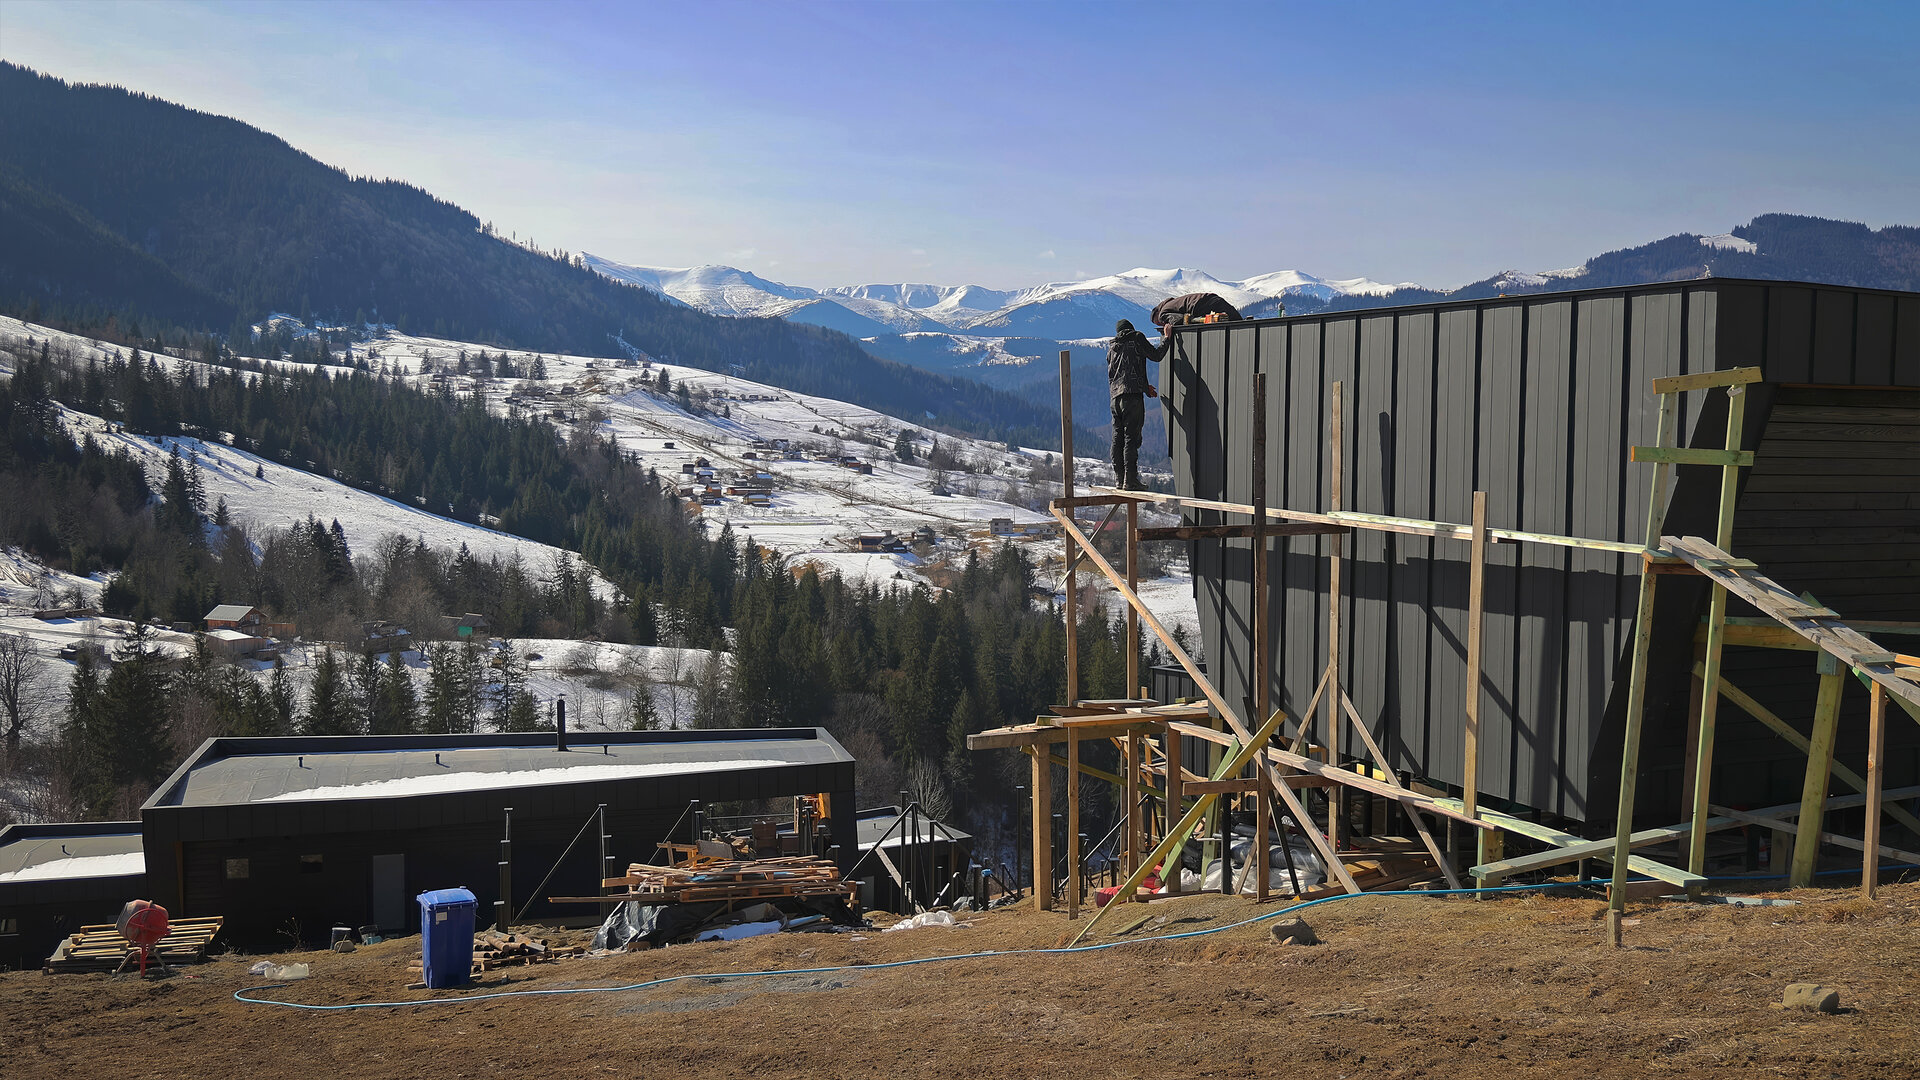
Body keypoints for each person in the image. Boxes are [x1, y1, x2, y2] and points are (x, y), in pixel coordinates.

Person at [1106, 318, 1168, 491]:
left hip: (1115, 399)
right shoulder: (1137, 337)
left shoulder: (1112, 348)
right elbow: (1156, 355)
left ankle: (1119, 479)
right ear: (1131, 328)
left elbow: (1121, 373)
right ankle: (1131, 480)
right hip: (1131, 399)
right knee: (1131, 439)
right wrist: (1167, 338)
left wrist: (1145, 387)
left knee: (1117, 439)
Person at [1150, 291, 1245, 331]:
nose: (1162, 324)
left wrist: (1168, 329)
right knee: (1239, 324)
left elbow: (1179, 320)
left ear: (1158, 313)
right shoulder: (1173, 303)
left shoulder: (1162, 313)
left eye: (1159, 323)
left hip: (1201, 307)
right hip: (1212, 299)